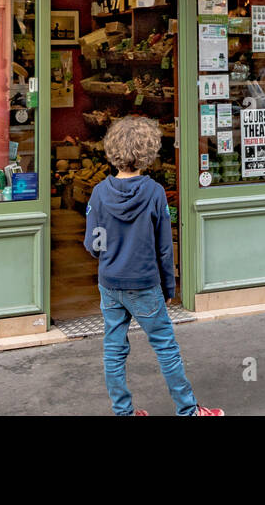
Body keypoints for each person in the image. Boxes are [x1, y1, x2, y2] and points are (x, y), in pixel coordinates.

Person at [84, 115, 223, 416]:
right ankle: (187, 410)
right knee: (165, 348)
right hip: (145, 284)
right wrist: (169, 286)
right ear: (148, 152)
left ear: (112, 150)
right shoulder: (154, 193)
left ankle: (123, 412)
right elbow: (164, 248)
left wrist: (109, 254)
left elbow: (93, 245)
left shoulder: (98, 193)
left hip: (110, 284)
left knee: (114, 349)